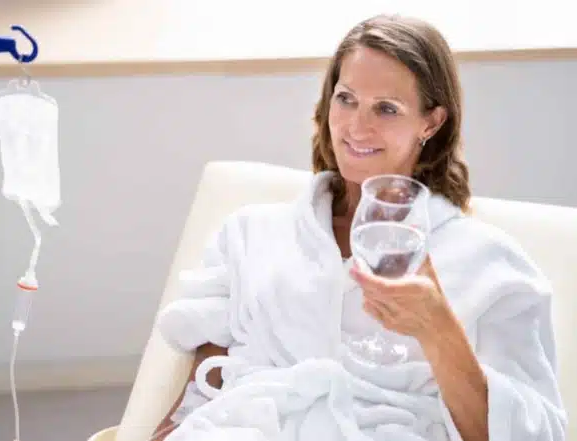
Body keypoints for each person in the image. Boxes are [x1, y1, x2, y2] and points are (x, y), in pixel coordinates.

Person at [151, 13, 567, 441]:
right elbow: (196, 399)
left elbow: (534, 434)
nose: (356, 126)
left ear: (432, 122)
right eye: (346, 98)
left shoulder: (489, 262)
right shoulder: (248, 234)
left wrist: (438, 330)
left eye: (386, 108)